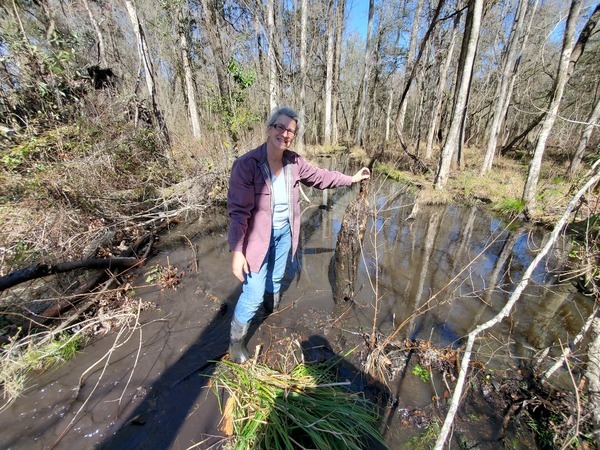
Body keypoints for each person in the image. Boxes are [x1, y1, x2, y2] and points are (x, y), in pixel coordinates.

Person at [227, 107, 370, 363]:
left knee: (279, 276)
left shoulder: (294, 163)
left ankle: (269, 310)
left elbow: (320, 177)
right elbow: (238, 212)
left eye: (290, 130)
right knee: (253, 294)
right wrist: (237, 251)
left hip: (285, 233)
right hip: (256, 239)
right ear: (269, 128)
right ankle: (235, 342)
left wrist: (351, 179)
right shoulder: (247, 165)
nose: (284, 133)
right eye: (280, 127)